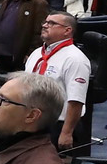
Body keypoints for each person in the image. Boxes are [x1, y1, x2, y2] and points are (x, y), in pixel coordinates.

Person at [23, 11, 93, 149]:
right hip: (32, 121)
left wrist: (66, 133)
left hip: (58, 125)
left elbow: (76, 100)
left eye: (52, 23)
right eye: (45, 22)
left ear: (67, 30)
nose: (45, 25)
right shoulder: (36, 53)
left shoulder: (75, 59)